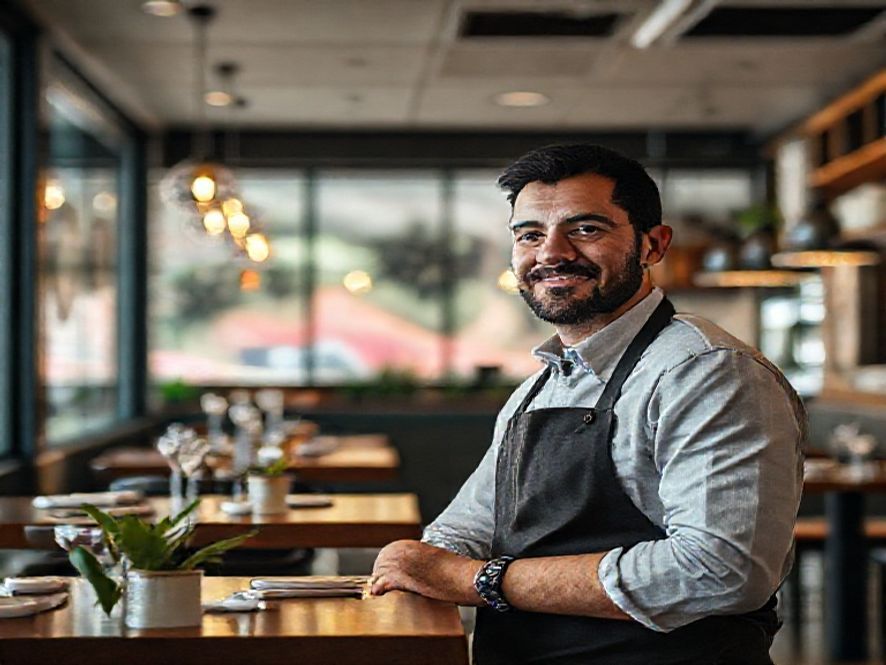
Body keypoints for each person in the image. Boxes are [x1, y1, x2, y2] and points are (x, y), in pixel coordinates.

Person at [370, 143, 805, 665]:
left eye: (586, 229)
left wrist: (476, 579)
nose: (551, 253)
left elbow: (721, 572)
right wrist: (419, 562)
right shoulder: (542, 384)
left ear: (652, 245)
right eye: (530, 235)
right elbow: (470, 525)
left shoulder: (706, 372)